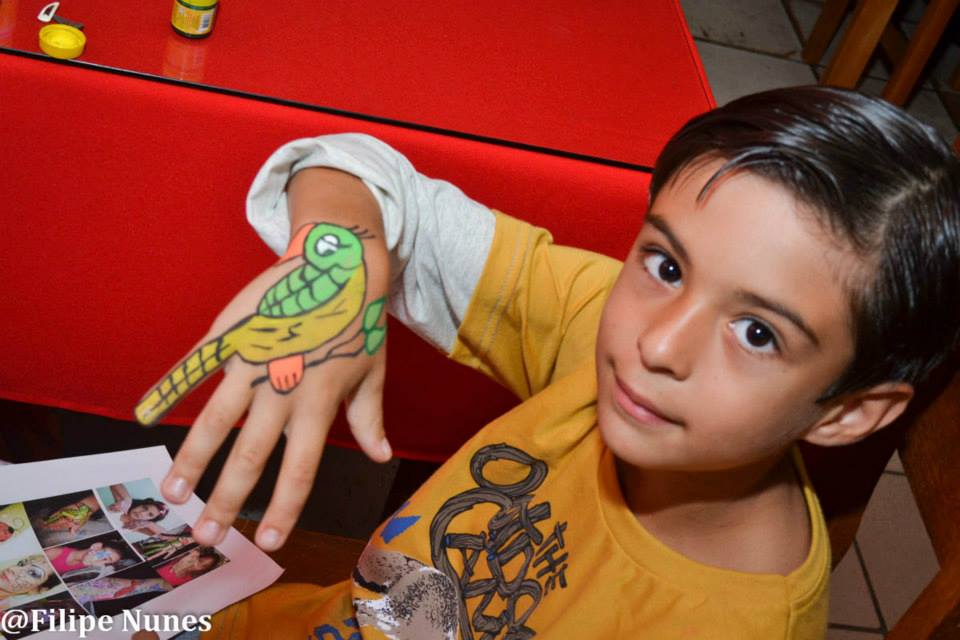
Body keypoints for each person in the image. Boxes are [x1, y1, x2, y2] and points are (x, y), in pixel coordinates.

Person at [138, 86, 960, 638]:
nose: (657, 344)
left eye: (757, 334)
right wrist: (344, 269)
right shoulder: (604, 325)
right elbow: (354, 167)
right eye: (666, 264)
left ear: (851, 411)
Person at [44, 541, 138, 583]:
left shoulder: (86, 572)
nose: (103, 559)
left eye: (108, 560)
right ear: (96, 547)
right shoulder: (57, 552)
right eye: (104, 554)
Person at [153, 548, 221, 587]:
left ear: (204, 570)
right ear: (197, 557)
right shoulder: (178, 558)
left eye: (204, 566)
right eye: (201, 560)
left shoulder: (188, 581)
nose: (199, 565)